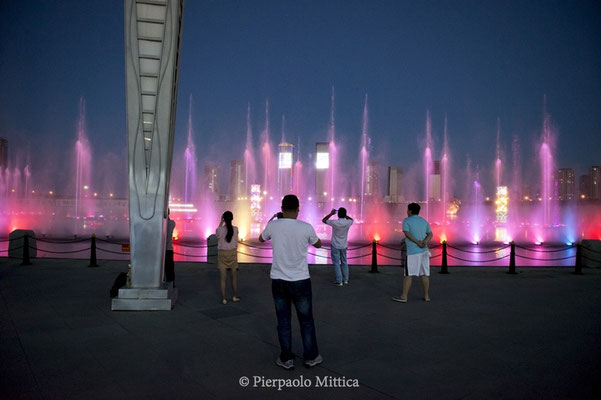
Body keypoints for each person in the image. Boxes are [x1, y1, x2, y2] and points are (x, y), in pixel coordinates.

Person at [259, 194, 323, 370]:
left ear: (281, 209)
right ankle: (311, 357)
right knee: (306, 321)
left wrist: (272, 220)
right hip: (300, 280)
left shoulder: (273, 225)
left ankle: (286, 358)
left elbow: (261, 238)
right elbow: (318, 245)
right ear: (298, 209)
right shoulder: (306, 227)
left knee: (284, 320)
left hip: (278, 280)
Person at [393, 203, 433, 303]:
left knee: (408, 274)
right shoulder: (423, 221)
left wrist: (417, 243)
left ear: (410, 211)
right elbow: (430, 234)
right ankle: (426, 296)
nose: (407, 211)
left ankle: (404, 297)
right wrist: (425, 242)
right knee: (425, 274)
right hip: (424, 251)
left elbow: (407, 234)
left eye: (407, 210)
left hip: (412, 252)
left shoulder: (406, 221)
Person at [322, 207, 353, 285]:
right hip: (344, 245)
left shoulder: (335, 222)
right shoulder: (348, 222)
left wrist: (331, 214)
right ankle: (346, 279)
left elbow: (324, 220)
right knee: (344, 262)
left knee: (336, 263)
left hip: (335, 245)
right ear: (345, 214)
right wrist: (345, 215)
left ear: (338, 214)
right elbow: (351, 219)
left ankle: (339, 281)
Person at [216, 211, 240, 305]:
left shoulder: (220, 229)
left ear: (223, 218)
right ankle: (234, 296)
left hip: (222, 254)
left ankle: (224, 299)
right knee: (233, 277)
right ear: (232, 218)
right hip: (233, 254)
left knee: (223, 278)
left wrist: (221, 222)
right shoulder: (236, 229)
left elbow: (217, 235)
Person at [164, 209, 176, 286]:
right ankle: (171, 284)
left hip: (161, 250)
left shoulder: (163, 224)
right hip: (169, 249)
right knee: (169, 268)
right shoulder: (172, 223)